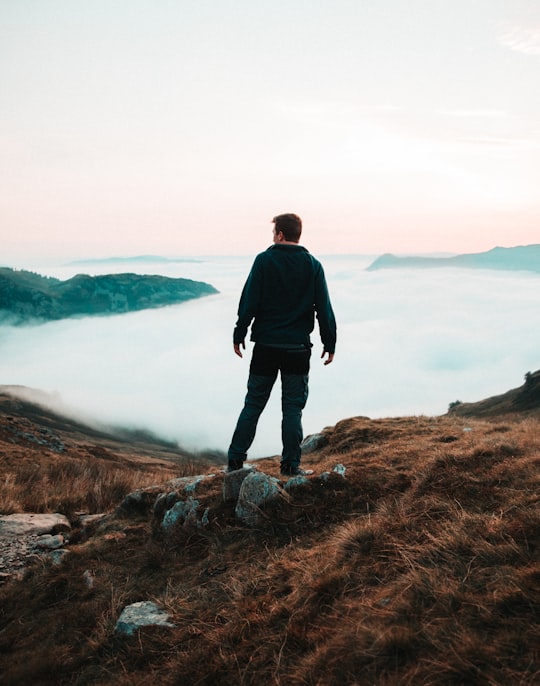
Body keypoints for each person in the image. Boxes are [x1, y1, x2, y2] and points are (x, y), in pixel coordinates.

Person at [227, 213, 336, 476]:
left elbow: (249, 301)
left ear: (279, 234)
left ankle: (235, 462)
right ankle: (290, 466)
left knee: (253, 403)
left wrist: (239, 333)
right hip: (297, 349)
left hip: (266, 346)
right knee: (292, 409)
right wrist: (329, 341)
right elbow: (324, 308)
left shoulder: (264, 261)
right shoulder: (313, 265)